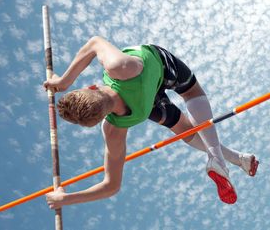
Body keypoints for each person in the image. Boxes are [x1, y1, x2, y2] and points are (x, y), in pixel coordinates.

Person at [43, 36, 259, 207]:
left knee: (185, 131)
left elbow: (111, 186)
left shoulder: (114, 127)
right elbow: (94, 43)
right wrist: (63, 82)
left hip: (147, 107)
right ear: (91, 87)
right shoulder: (119, 67)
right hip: (160, 68)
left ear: (98, 118)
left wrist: (66, 198)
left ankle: (237, 159)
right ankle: (218, 159)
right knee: (192, 94)